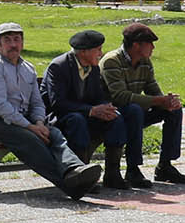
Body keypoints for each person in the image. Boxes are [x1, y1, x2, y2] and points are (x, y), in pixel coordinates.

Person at [0, 22, 101, 199]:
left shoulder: (28, 68)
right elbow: (0, 106)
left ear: (22, 43)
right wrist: (30, 127)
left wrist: (39, 122)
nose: (13, 44)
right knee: (30, 138)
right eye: (7, 40)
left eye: (17, 39)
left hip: (18, 122)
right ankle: (70, 185)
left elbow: (37, 103)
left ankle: (74, 168)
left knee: (53, 133)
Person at [42, 29, 150, 190]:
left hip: (84, 113)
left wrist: (105, 107)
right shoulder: (59, 66)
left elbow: (98, 96)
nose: (101, 53)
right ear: (83, 52)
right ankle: (81, 175)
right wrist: (91, 110)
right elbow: (58, 103)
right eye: (98, 50)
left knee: (116, 116)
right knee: (77, 120)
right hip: (60, 117)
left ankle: (112, 174)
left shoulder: (93, 68)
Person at [100, 23, 185, 184]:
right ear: (136, 45)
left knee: (174, 110)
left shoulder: (145, 62)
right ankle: (133, 168)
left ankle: (165, 165)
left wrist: (167, 102)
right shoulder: (111, 61)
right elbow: (119, 96)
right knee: (134, 110)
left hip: (134, 110)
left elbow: (152, 89)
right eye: (150, 43)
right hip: (113, 113)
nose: (153, 48)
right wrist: (158, 101)